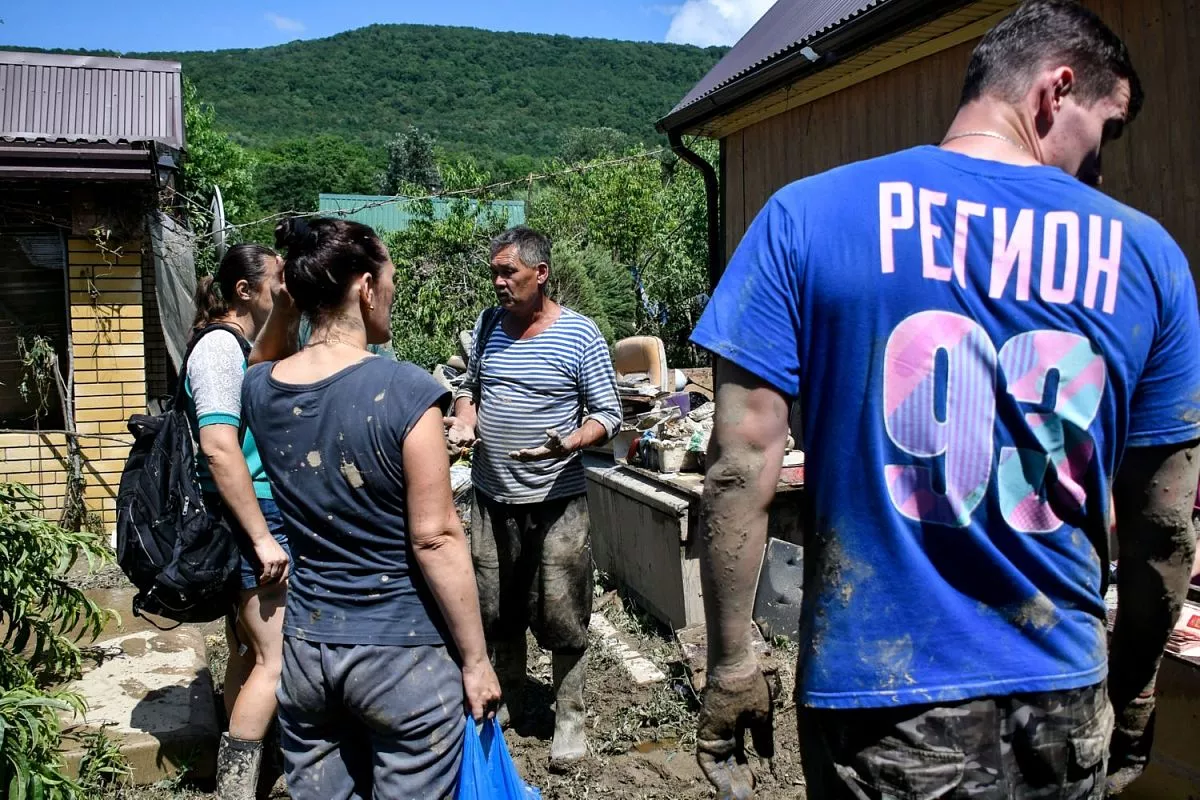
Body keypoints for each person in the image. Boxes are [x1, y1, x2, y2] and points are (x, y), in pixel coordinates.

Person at [689, 2, 1200, 798]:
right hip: (1057, 695)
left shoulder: (804, 217)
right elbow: (1164, 525)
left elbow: (739, 466)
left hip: (876, 703)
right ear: (1055, 91)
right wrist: (1132, 690)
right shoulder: (1150, 258)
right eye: (1108, 130)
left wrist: (732, 665)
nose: (1102, 168)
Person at [241, 217, 501, 798]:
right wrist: (477, 660)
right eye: (388, 282)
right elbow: (435, 539)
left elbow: (261, 359)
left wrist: (288, 306)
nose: (391, 295)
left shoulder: (260, 391)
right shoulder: (408, 392)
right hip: (403, 659)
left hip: (307, 655)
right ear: (363, 287)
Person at [444, 226, 621, 771]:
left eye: (508, 273)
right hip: (493, 498)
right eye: (494, 272)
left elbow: (608, 415)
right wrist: (466, 419)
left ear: (539, 274)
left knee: (565, 610)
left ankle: (569, 719)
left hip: (557, 503)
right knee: (496, 606)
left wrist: (568, 442)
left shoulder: (579, 336)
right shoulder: (489, 324)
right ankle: (510, 700)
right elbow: (469, 386)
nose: (498, 283)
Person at [185, 244, 291, 800]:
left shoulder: (241, 347)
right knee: (276, 660)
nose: (287, 288)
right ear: (245, 291)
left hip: (248, 514)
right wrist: (262, 536)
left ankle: (244, 765)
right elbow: (221, 449)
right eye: (278, 279)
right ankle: (235, 788)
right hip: (253, 515)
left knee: (248, 652)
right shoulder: (221, 350)